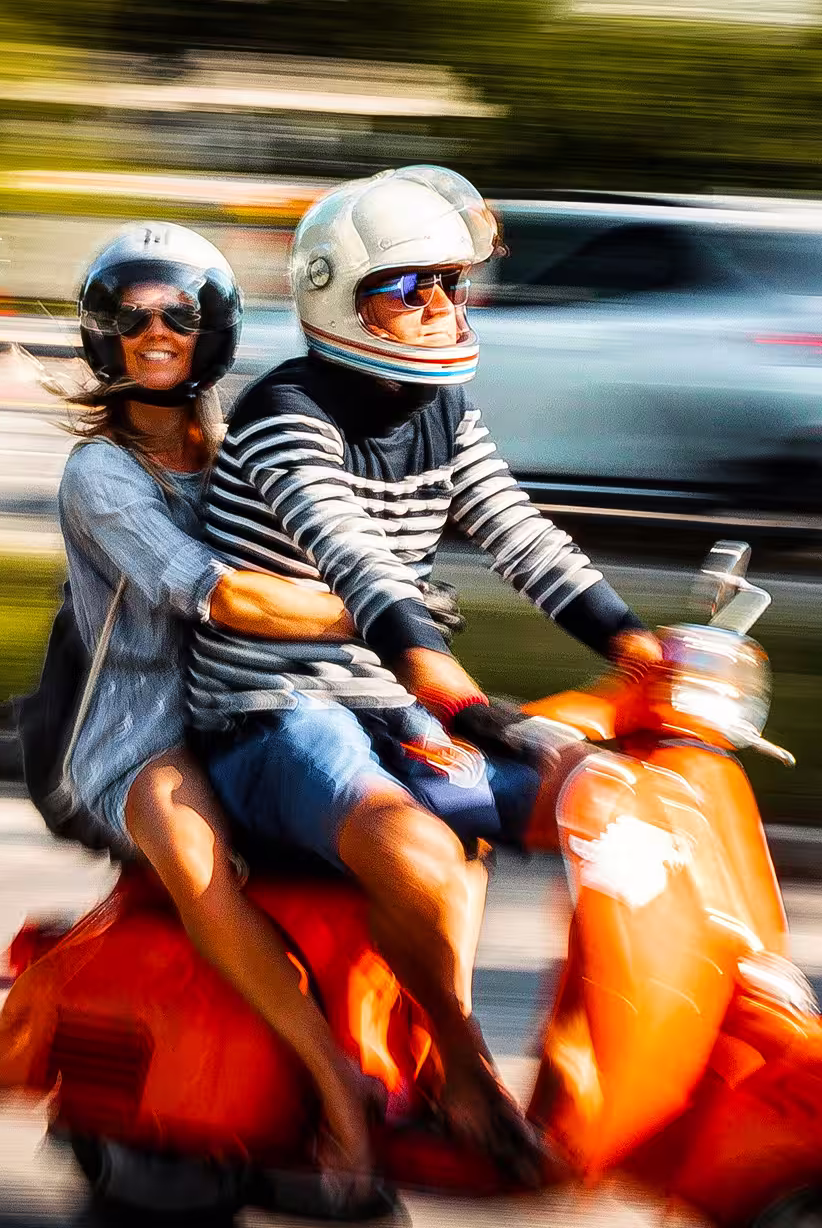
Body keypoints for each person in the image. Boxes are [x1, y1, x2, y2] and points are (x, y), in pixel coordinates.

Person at [187, 167, 663, 1176]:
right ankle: (461, 1069)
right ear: (334, 293)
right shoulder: (286, 413)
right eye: (406, 288)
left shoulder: (442, 406)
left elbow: (519, 534)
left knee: (607, 807)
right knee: (417, 853)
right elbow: (351, 555)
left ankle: (588, 1068)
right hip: (271, 710)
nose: (439, 305)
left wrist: (634, 644)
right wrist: (434, 674)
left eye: (449, 282)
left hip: (387, 701)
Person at [55, 221, 383, 1206]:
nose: (155, 331)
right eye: (132, 314)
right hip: (143, 738)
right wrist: (373, 607)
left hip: (256, 711)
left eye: (180, 313)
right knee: (201, 866)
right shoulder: (101, 475)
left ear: (219, 329)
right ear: (101, 334)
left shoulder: (242, 444)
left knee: (418, 825)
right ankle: (340, 1089)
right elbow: (210, 591)